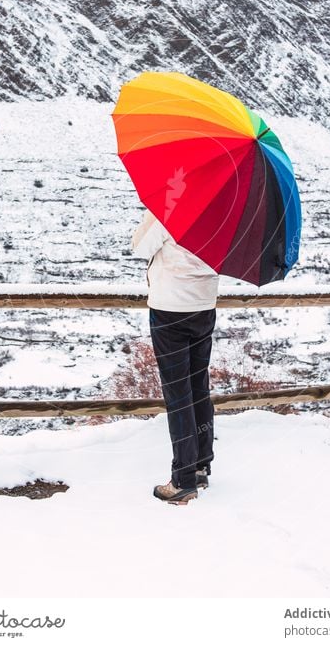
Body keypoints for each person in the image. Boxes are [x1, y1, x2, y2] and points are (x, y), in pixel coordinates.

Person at [131, 207, 219, 505]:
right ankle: (200, 464)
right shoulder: (227, 211)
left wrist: (156, 210)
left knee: (178, 393)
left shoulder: (175, 206)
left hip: (170, 309)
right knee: (198, 386)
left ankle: (183, 479)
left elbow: (140, 246)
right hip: (204, 306)